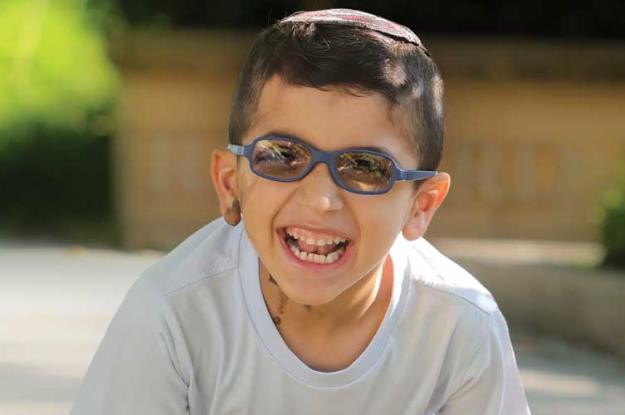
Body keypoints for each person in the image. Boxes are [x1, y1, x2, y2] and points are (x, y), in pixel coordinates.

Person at [71, 8, 531, 415]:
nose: (320, 200)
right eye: (283, 154)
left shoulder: (459, 328)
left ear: (421, 205)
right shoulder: (173, 312)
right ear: (230, 183)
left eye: (367, 167)